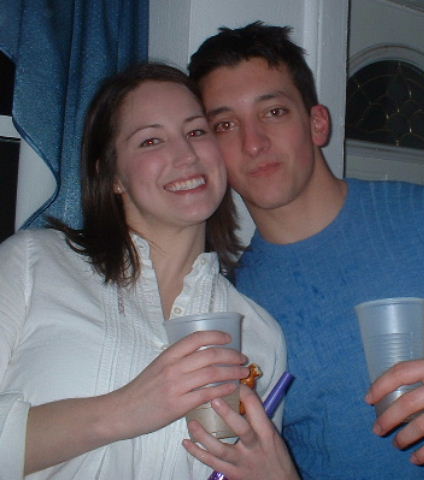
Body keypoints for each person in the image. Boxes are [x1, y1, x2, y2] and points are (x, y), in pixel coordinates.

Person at [0, 62, 289, 479]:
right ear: (111, 175)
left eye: (196, 132)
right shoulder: (31, 264)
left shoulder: (260, 333)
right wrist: (125, 409)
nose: (186, 155)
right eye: (151, 140)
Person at [188, 21, 424, 479]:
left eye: (273, 112)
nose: (253, 143)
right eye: (225, 125)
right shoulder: (235, 310)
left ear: (317, 123)